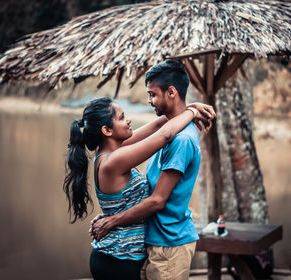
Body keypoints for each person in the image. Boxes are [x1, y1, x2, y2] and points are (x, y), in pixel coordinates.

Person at [63, 85, 215, 278]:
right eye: (121, 118)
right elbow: (165, 135)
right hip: (117, 261)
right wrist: (192, 112)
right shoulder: (113, 161)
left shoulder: (113, 151)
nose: (129, 120)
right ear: (107, 130)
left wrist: (188, 108)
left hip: (122, 257)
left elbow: (159, 125)